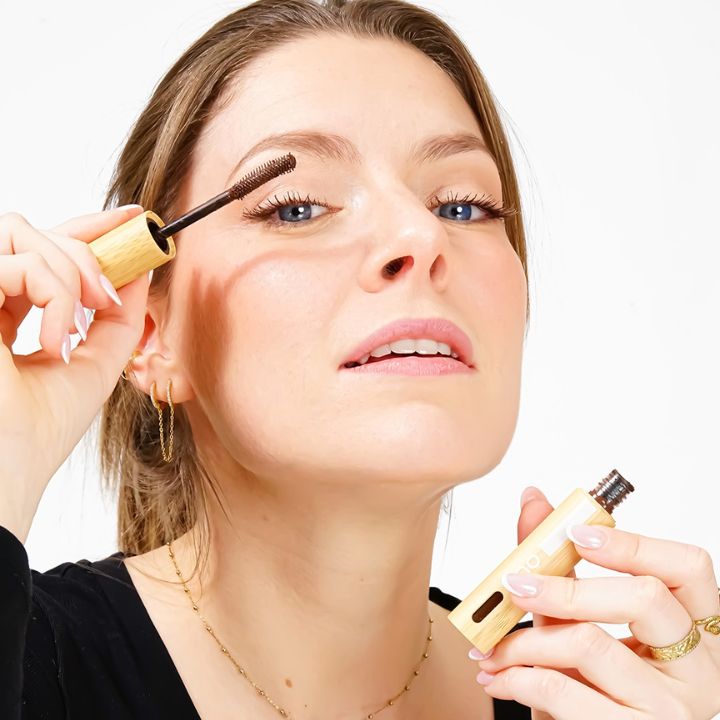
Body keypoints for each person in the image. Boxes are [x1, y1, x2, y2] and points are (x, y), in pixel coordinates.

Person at [2, 1, 718, 718]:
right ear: (151, 334)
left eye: (462, 206)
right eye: (297, 208)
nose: (420, 235)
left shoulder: (586, 704)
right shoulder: (31, 667)